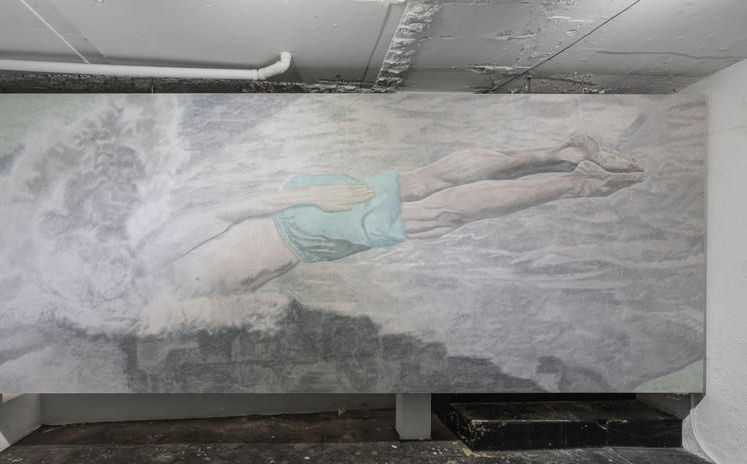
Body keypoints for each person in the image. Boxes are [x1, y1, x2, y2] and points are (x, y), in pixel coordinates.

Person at [134, 134, 644, 302]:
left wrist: (315, 195)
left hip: (302, 223)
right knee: (427, 181)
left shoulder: (150, 260)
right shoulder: (157, 299)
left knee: (438, 214)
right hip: (307, 234)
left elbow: (229, 209)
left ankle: (577, 181)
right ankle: (562, 153)